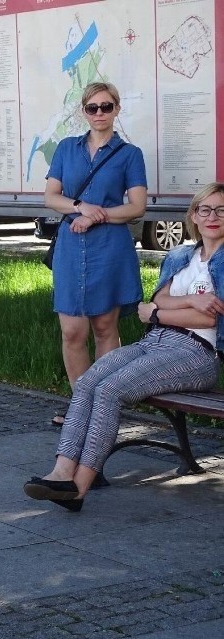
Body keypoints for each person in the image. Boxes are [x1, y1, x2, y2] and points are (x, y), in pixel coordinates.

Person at [25, 183, 224, 511]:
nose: (213, 216)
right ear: (194, 217)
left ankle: (78, 489)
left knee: (110, 390)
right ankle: (60, 472)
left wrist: (159, 313)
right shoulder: (180, 256)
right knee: (89, 382)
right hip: (155, 341)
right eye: (205, 209)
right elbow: (160, 297)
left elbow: (209, 320)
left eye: (220, 210)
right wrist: (188, 302)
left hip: (196, 353)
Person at [44, 82, 148, 425]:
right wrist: (82, 208)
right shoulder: (66, 149)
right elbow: (52, 197)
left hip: (110, 248)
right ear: (83, 111)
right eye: (93, 107)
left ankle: (103, 404)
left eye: (106, 107)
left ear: (117, 109)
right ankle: (80, 404)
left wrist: (93, 218)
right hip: (71, 248)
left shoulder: (130, 154)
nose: (99, 113)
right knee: (72, 330)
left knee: (105, 327)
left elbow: (136, 207)